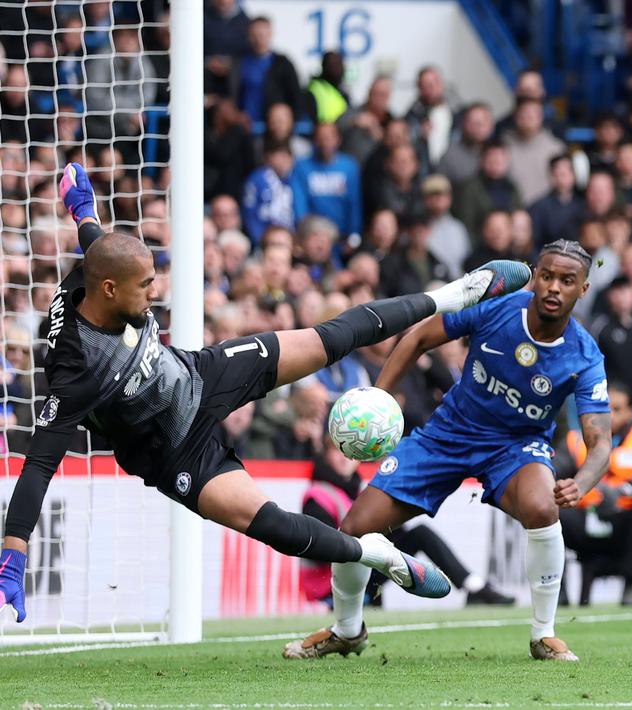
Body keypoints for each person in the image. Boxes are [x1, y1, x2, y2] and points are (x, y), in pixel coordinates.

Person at [0, 164, 532, 625]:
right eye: (146, 286)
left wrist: (81, 206)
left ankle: (457, 292)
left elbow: (95, 238)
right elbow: (39, 466)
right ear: (110, 290)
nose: (155, 292)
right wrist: (14, 552)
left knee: (332, 336)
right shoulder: (73, 373)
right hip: (170, 451)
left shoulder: (97, 274)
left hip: (198, 376)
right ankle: (378, 557)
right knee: (268, 523)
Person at [283, 240, 612, 662]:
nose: (553, 287)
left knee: (543, 507)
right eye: (546, 276)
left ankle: (543, 634)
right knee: (354, 528)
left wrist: (582, 481)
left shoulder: (585, 356)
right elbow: (419, 336)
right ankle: (347, 631)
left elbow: (600, 441)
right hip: (447, 434)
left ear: (583, 289)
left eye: (567, 281)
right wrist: (379, 400)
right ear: (534, 276)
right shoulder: (498, 308)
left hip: (515, 447)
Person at [300, 441, 513, 607]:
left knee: (417, 534)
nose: (346, 459)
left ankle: (473, 586)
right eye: (338, 452)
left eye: (351, 453)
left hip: (359, 567)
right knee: (405, 540)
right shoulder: (319, 495)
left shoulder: (354, 490)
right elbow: (318, 549)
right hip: (328, 582)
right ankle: (471, 588)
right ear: (325, 456)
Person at [557, 382, 632, 606]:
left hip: (625, 522)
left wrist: (626, 488)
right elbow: (552, 471)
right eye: (604, 407)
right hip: (586, 520)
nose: (609, 415)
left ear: (631, 412)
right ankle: (557, 593)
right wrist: (575, 488)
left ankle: (630, 587)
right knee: (550, 512)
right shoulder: (575, 440)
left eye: (617, 409)